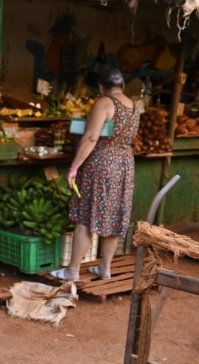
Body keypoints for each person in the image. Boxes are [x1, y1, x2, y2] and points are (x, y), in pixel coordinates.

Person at [51, 67, 139, 282]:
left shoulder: (104, 103)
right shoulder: (135, 106)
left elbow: (91, 137)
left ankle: (72, 271)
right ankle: (104, 268)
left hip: (102, 163)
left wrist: (74, 168)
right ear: (123, 86)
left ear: (101, 87)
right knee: (115, 217)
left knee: (86, 215)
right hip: (124, 163)